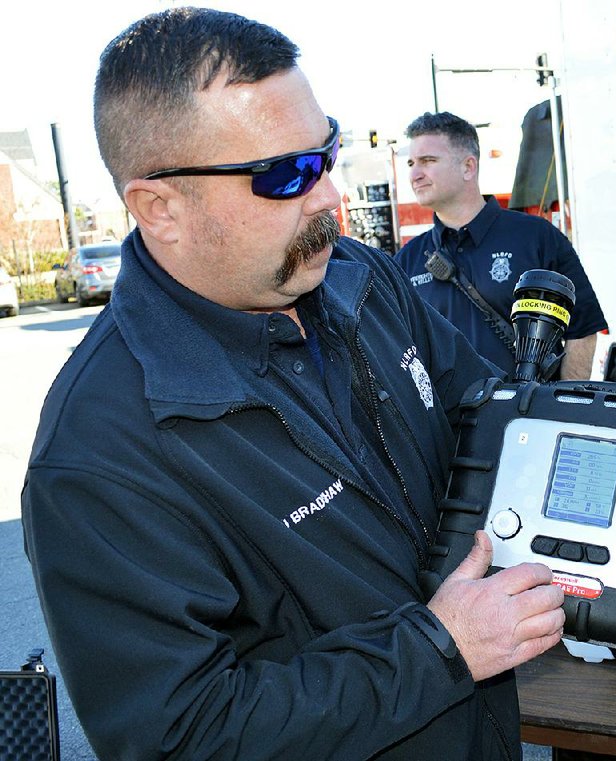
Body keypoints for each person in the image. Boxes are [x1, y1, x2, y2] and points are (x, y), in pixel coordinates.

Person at [20, 8, 566, 760]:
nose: (329, 197)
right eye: (284, 175)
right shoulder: (101, 452)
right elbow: (183, 738)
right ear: (160, 208)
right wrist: (439, 648)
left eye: (327, 150)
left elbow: (498, 417)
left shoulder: (359, 279)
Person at [394, 111, 608, 380]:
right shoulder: (406, 260)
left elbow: (583, 329)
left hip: (526, 417)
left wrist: (562, 408)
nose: (415, 174)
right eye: (412, 163)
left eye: (428, 161)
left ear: (468, 167)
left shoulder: (536, 237)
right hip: (445, 422)